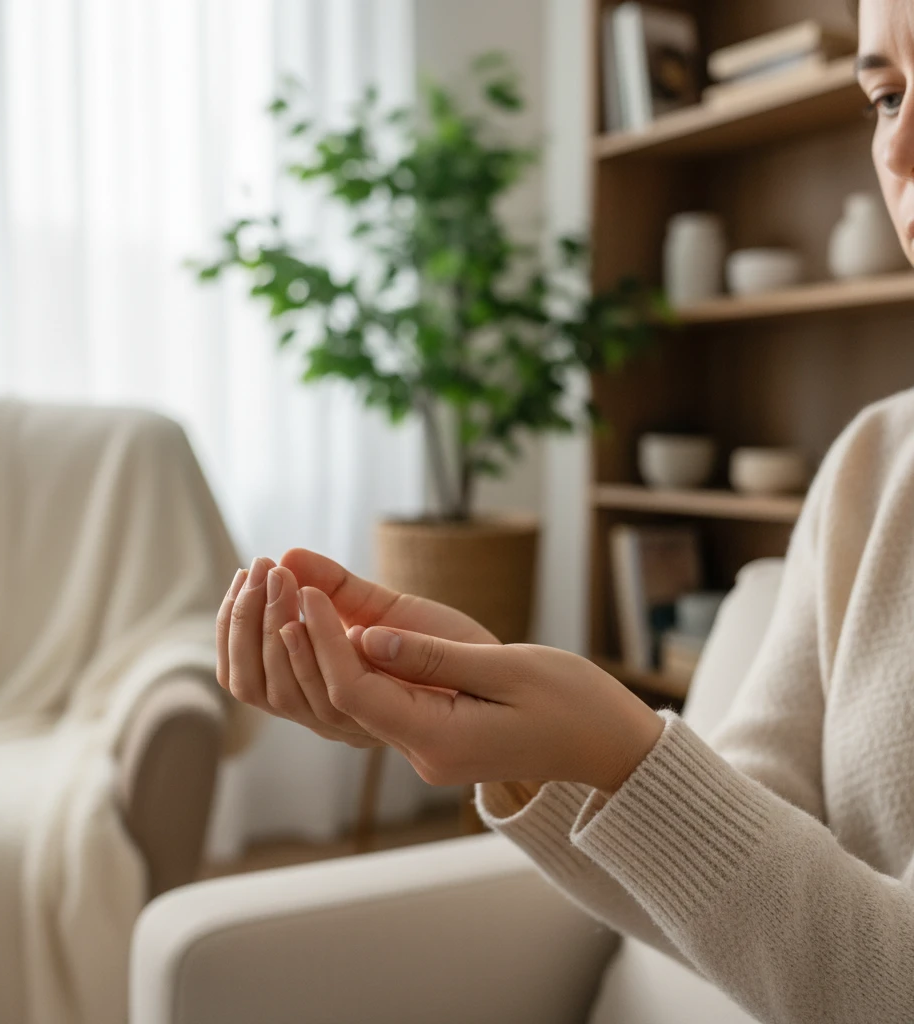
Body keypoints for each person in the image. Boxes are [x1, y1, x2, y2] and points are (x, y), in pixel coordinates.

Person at [216, 2, 914, 1019]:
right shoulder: (870, 465)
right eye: (884, 94)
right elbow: (753, 840)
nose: (895, 142)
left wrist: (616, 749)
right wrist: (538, 742)